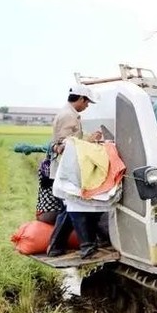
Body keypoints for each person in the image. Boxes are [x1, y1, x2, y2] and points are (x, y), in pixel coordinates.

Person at [47, 84, 107, 258]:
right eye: (87, 103)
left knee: (68, 208)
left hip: (68, 168)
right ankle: (87, 246)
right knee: (75, 206)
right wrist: (89, 141)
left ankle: (56, 247)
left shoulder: (70, 114)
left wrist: (87, 139)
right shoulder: (68, 116)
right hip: (66, 170)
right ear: (80, 99)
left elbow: (73, 141)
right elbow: (65, 145)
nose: (87, 106)